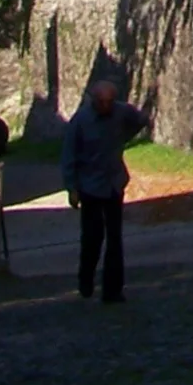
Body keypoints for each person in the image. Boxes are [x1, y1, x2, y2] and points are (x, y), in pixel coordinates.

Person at [59, 79, 150, 304]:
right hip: (89, 185)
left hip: (113, 183)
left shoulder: (121, 112)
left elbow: (140, 120)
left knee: (115, 238)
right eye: (102, 102)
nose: (106, 106)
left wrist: (124, 138)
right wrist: (72, 187)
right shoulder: (81, 121)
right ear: (93, 101)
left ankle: (112, 289)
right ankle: (86, 279)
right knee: (92, 237)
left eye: (110, 101)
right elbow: (69, 155)